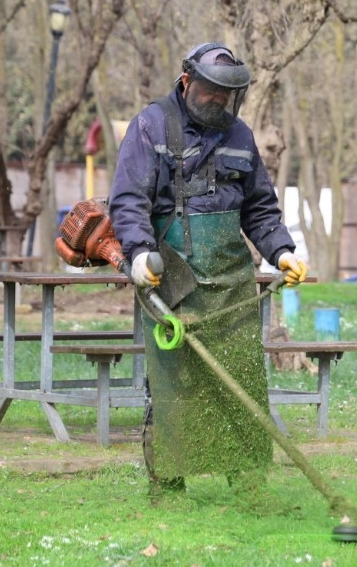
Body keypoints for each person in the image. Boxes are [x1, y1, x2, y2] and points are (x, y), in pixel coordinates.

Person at [109, 42, 308, 493]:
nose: (219, 101)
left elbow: (260, 208)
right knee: (174, 385)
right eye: (211, 91)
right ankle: (168, 483)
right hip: (171, 278)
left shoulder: (241, 136)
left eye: (227, 94)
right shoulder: (151, 125)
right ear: (187, 82)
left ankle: (249, 485)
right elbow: (129, 200)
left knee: (241, 378)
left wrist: (281, 252)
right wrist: (138, 254)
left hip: (232, 281)